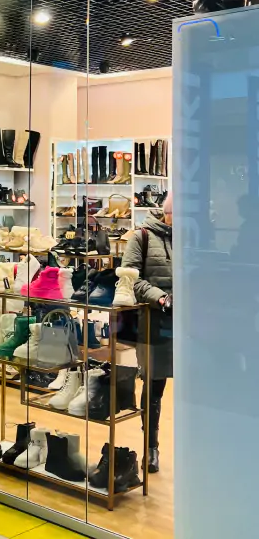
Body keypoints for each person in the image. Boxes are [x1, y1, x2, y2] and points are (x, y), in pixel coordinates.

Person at [120, 192, 173, 474]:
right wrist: (160, 297)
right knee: (155, 386)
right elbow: (130, 279)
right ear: (169, 212)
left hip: (189, 323)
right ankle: (151, 447)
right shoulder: (141, 236)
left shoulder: (192, 238)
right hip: (155, 321)